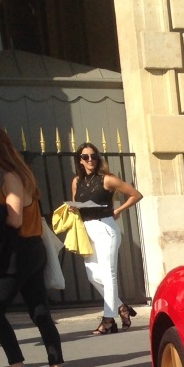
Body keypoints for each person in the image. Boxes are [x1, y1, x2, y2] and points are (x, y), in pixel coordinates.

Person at [0, 125, 68, 367]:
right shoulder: (24, 173)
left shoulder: (11, 177)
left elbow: (15, 217)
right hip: (32, 250)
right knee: (40, 310)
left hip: (18, 253)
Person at [70, 142, 142, 334]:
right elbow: (77, 204)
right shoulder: (77, 181)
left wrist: (118, 210)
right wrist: (73, 207)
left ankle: (108, 320)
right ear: (80, 160)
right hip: (87, 230)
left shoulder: (107, 179)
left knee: (109, 276)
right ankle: (122, 308)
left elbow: (135, 194)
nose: (90, 159)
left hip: (105, 228)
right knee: (92, 275)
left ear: (98, 158)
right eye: (86, 157)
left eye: (93, 156)